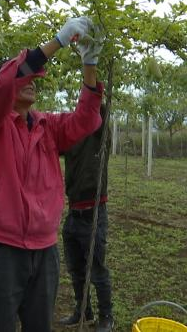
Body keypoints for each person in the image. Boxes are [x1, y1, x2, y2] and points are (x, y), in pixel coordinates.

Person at [0, 17, 104, 332]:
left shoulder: (47, 126)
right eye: (24, 77)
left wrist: (90, 63)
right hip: (0, 249)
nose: (32, 80)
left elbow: (86, 119)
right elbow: (7, 80)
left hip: (44, 250)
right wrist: (58, 41)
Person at [59, 104, 113, 332]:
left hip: (93, 213)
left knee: (97, 269)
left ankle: (106, 317)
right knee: (76, 268)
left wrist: (92, 88)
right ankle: (83, 312)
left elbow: (100, 109)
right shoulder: (71, 137)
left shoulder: (97, 135)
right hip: (74, 213)